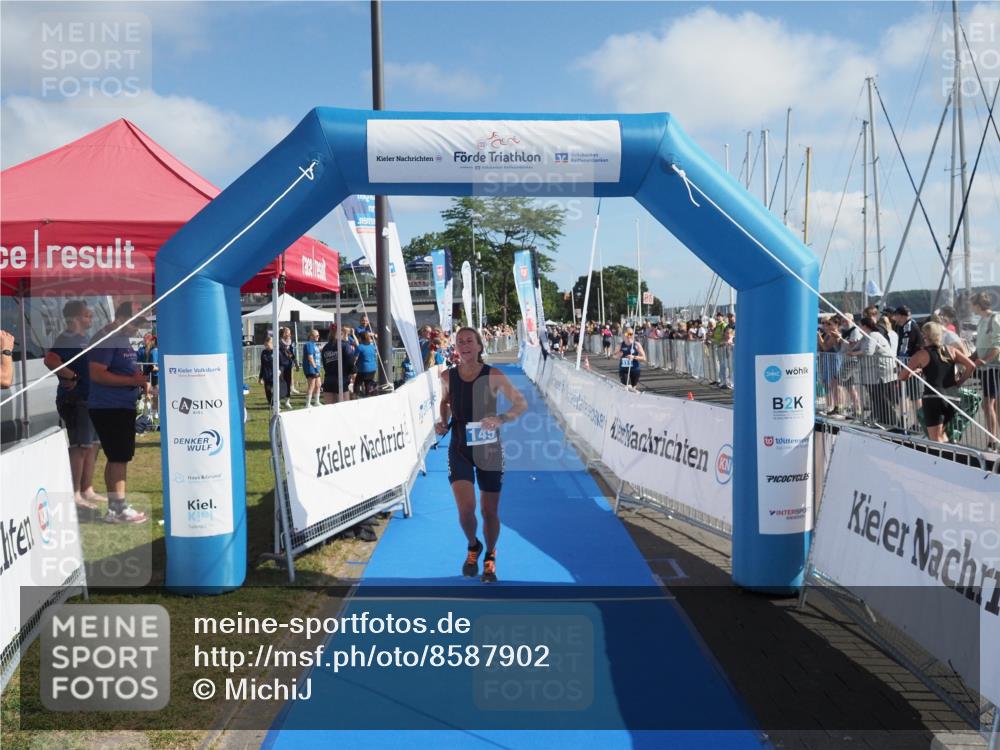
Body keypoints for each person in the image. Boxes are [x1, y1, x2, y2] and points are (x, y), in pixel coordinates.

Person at [434, 327, 527, 583]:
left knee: (489, 511)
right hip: (460, 447)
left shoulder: (493, 375)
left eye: (469, 341)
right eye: (459, 341)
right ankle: (473, 545)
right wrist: (442, 422)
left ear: (478, 346)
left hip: (489, 449)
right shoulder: (446, 376)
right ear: (456, 347)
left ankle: (490, 554)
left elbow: (520, 403)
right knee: (466, 511)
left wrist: (500, 418)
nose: (464, 345)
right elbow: (445, 402)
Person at [87, 301, 150, 524]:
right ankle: (119, 508)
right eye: (136, 323)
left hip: (119, 405)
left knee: (116, 457)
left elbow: (119, 367)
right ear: (122, 318)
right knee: (119, 457)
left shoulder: (120, 337)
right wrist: (131, 380)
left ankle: (115, 509)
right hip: (109, 406)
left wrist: (138, 379)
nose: (138, 329)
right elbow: (97, 374)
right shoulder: (108, 338)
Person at [44, 301, 105, 514]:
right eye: (87, 315)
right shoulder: (66, 338)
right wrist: (72, 376)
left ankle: (87, 489)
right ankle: (75, 494)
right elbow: (50, 360)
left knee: (93, 445)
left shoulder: (83, 339)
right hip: (76, 400)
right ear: (76, 318)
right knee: (80, 447)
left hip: (91, 399)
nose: (91, 318)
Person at [900, 321, 976, 443]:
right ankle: (951, 453)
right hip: (952, 397)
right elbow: (971, 366)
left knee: (935, 438)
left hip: (934, 397)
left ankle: (945, 459)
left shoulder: (922, 354)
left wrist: (914, 371)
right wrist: (959, 382)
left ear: (925, 336)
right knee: (942, 434)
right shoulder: (951, 350)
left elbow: (902, 376)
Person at [971, 293, 1000, 449]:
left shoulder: (994, 319)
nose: (970, 307)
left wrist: (985, 360)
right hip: (986, 368)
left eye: (972, 304)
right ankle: (994, 439)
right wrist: (969, 358)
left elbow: (997, 345)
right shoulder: (982, 320)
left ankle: (992, 441)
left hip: (993, 368)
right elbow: (980, 347)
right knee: (990, 405)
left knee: (988, 404)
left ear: (978, 305)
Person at [258, 335, 291, 408]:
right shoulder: (263, 353)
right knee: (268, 392)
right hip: (266, 376)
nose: (266, 346)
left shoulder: (277, 352)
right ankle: (272, 404)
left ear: (272, 343)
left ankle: (276, 405)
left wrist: (279, 370)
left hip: (275, 375)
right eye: (265, 344)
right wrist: (260, 377)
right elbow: (262, 365)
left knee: (275, 391)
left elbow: (283, 363)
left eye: (268, 344)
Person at [354, 330, 378, 397]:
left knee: (357, 384)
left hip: (363, 369)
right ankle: (368, 396)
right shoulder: (372, 346)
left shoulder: (360, 347)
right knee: (368, 384)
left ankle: (357, 397)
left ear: (360, 338)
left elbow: (355, 359)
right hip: (373, 369)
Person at [302, 329, 322, 407]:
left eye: (318, 335)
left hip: (316, 367)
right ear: (311, 336)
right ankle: (308, 403)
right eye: (316, 335)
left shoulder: (314, 345)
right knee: (312, 385)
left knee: (318, 384)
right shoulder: (309, 344)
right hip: (311, 368)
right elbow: (310, 357)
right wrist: (315, 367)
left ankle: (316, 402)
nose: (318, 337)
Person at [279, 327, 297, 408]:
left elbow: (292, 354)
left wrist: (295, 363)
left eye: (290, 333)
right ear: (283, 333)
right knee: (280, 383)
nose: (289, 335)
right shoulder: (279, 342)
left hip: (288, 365)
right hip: (280, 365)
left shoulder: (290, 343)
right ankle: (277, 401)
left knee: (288, 382)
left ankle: (287, 401)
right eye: (288, 333)